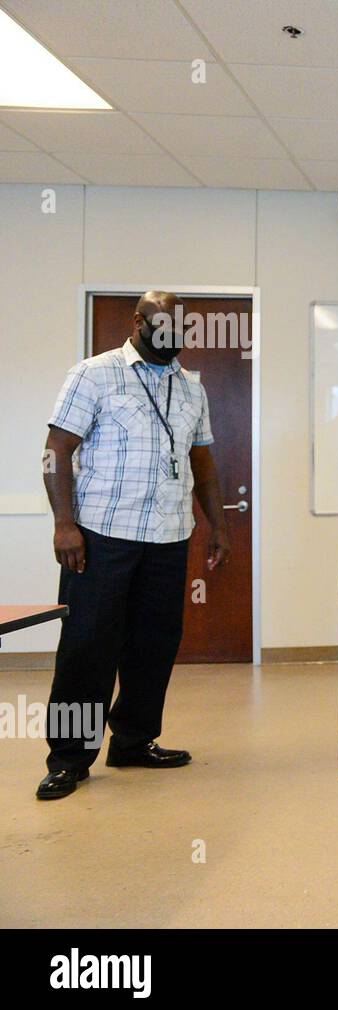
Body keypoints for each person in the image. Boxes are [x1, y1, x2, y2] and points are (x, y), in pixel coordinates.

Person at [38, 291, 230, 800]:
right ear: (138, 321)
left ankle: (133, 741)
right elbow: (58, 450)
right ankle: (69, 758)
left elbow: (203, 464)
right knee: (87, 649)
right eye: (162, 329)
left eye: (180, 334)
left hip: (168, 538)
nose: (173, 342)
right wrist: (64, 525)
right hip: (102, 536)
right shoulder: (95, 374)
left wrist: (218, 525)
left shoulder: (192, 388)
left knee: (153, 646)